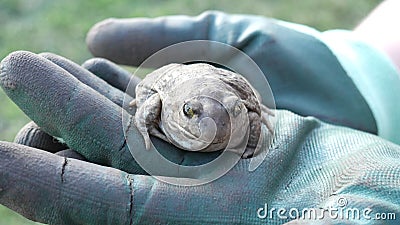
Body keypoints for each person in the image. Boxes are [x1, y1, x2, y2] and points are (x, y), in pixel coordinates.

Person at [0, 0, 400, 224]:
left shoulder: (236, 113)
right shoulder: (169, 106)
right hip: (182, 88)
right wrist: (369, 71)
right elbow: (148, 103)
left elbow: (247, 103)